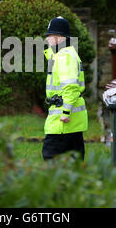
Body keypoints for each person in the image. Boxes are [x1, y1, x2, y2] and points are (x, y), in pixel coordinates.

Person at [42, 16, 88, 161]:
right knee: (74, 162)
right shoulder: (65, 55)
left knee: (51, 159)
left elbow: (71, 87)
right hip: (70, 122)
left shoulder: (64, 57)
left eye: (49, 36)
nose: (47, 40)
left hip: (62, 121)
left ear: (60, 38)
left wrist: (66, 113)